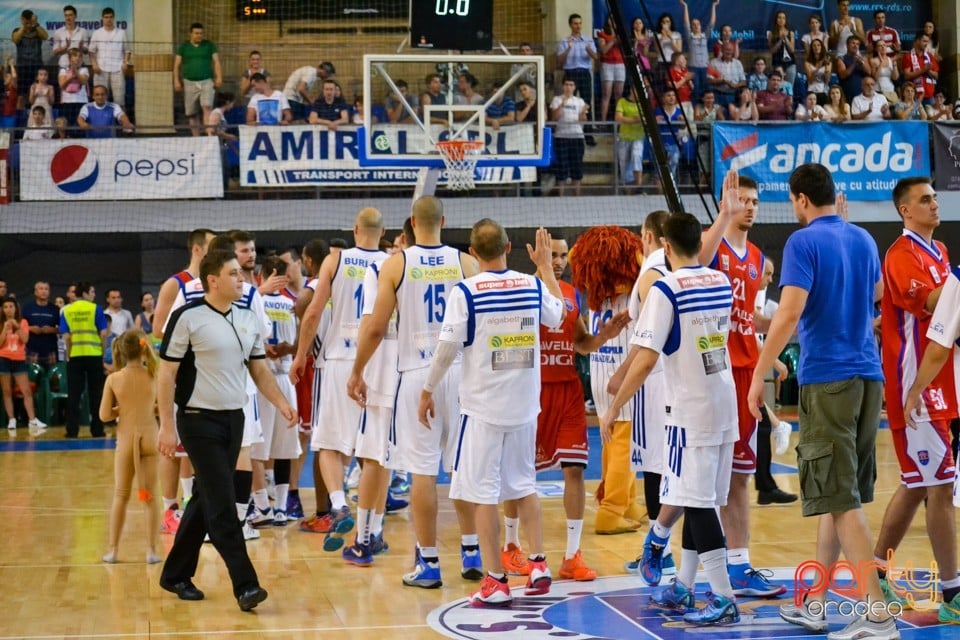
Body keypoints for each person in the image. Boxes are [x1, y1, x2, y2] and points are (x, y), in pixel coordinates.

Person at [746, 163, 893, 640]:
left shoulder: (802, 241)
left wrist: (759, 372)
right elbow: (874, 294)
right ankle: (816, 602)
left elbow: (789, 311)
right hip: (869, 378)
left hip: (828, 377)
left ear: (802, 200)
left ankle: (877, 611)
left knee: (841, 500)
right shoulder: (864, 240)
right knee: (836, 495)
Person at [600, 212, 740, 626]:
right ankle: (683, 583)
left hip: (689, 409)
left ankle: (722, 596)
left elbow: (644, 361)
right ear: (700, 242)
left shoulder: (666, 289)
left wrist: (611, 408)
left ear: (664, 245)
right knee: (700, 498)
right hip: (722, 402)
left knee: (696, 505)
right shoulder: (721, 281)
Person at [418, 223, 564, 607]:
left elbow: (448, 347)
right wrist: (545, 267)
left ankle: (496, 580)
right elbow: (558, 316)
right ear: (510, 247)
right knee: (524, 485)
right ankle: (538, 563)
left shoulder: (465, 291)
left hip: (483, 410)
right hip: (524, 407)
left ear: (472, 252)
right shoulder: (531, 285)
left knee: (483, 494)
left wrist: (428, 388)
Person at [346, 196, 481, 589]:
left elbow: (374, 328)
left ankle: (430, 562)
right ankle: (471, 552)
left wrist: (358, 371)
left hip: (416, 374)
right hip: (459, 371)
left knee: (423, 471)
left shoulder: (397, 263)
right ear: (444, 220)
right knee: (462, 468)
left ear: (410, 223)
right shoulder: (466, 263)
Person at [157, 249, 295, 611]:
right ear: (212, 280)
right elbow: (166, 374)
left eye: (241, 273)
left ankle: (175, 574)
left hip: (234, 419)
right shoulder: (187, 318)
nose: (242, 278)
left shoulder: (248, 318)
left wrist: (281, 404)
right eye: (233, 273)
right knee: (221, 503)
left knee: (206, 497)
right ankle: (246, 586)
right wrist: (167, 428)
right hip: (197, 420)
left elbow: (260, 371)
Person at [500, 235, 627, 581]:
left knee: (575, 470)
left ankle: (572, 555)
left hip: (568, 391)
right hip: (531, 393)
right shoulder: (523, 289)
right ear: (537, 255)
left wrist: (605, 336)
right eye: (551, 255)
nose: (557, 261)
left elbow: (581, 343)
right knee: (519, 477)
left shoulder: (571, 295)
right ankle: (511, 545)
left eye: (561, 256)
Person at [872, 177, 960, 618]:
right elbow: (928, 301)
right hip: (916, 388)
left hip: (942, 381)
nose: (933, 204)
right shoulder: (901, 254)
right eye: (924, 199)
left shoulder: (939, 252)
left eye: (935, 197)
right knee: (940, 487)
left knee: (915, 486)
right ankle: (952, 594)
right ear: (905, 210)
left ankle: (876, 574)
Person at [697, 171, 784, 597]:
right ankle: (669, 552)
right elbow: (695, 261)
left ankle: (738, 564)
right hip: (714, 370)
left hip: (747, 369)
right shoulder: (711, 244)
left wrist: (784, 330)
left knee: (739, 475)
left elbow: (750, 318)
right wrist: (722, 217)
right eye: (742, 200)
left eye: (754, 201)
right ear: (726, 202)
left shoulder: (754, 257)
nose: (749, 206)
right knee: (705, 476)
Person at [290, 209, 387, 551]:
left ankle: (337, 503)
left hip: (338, 360)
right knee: (374, 451)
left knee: (328, 444)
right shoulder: (394, 262)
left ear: (355, 229)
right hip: (377, 361)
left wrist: (301, 355)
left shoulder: (336, 260)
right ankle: (371, 530)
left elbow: (313, 311)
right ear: (383, 231)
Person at [151, 229, 216, 534]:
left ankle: (191, 503)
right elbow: (159, 328)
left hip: (205, 375)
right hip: (179, 373)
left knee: (191, 446)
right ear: (197, 250)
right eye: (213, 246)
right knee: (173, 446)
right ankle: (169, 508)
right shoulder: (175, 284)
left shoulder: (214, 284)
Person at [100, 329, 161, 565]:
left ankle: (113, 551)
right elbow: (159, 407)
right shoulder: (154, 374)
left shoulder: (113, 379)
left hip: (126, 442)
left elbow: (105, 415)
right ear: (143, 347)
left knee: (121, 495)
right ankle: (151, 551)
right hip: (150, 440)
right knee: (148, 495)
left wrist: (121, 409)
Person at [249, 255, 301, 526]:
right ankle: (281, 508)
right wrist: (289, 349)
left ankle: (261, 507)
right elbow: (301, 341)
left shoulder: (255, 299)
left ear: (263, 274)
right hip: (286, 382)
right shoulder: (293, 303)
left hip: (263, 381)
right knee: (284, 449)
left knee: (257, 449)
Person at [59, 282, 109, 438]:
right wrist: (101, 352)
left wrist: (69, 354)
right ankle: (97, 430)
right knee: (96, 394)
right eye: (92, 292)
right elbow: (103, 333)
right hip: (94, 355)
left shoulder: (67, 311)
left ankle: (72, 431)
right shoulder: (96, 309)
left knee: (74, 394)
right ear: (86, 294)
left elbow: (66, 337)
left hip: (75, 357)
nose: (94, 295)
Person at [1, 296, 47, 434]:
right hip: (3, 359)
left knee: (26, 391)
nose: (9, 310)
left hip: (19, 360)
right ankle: (11, 419)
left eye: (11, 307)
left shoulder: (23, 322)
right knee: (7, 391)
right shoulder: (0, 323)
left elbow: (25, 339)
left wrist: (16, 326)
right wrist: (4, 329)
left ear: (16, 309)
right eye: (6, 307)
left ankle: (32, 420)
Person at [173, 23, 222, 135]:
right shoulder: (184, 47)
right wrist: (176, 80)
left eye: (201, 33)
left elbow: (216, 61)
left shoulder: (209, 45)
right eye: (196, 33)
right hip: (189, 82)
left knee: (207, 106)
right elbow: (176, 65)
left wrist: (219, 77)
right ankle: (197, 139)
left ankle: (209, 136)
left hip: (206, 81)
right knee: (192, 113)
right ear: (191, 34)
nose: (199, 35)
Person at [550, 77, 589, 197]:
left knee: (577, 167)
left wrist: (583, 112)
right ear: (563, 86)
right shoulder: (557, 100)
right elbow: (554, 118)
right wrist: (562, 104)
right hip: (561, 137)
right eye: (566, 84)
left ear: (574, 87)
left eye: (571, 85)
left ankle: (577, 197)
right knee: (562, 167)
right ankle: (561, 197)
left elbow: (583, 120)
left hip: (577, 137)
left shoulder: (579, 101)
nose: (568, 87)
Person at [556, 13, 597, 116]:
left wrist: (588, 49)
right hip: (570, 73)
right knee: (569, 100)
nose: (578, 26)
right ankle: (569, 123)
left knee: (586, 100)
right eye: (575, 24)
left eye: (580, 23)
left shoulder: (588, 40)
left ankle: (588, 130)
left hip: (584, 72)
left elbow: (596, 57)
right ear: (570, 25)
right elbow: (559, 60)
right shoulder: (565, 41)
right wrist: (569, 48)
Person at [88, 7, 130, 107]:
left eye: (111, 17)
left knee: (119, 100)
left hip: (117, 70)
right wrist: (94, 65)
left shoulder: (121, 33)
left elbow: (127, 51)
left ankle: (120, 122)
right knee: (100, 99)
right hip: (101, 70)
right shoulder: (97, 33)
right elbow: (91, 51)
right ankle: (100, 122)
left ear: (114, 18)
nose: (108, 19)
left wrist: (125, 63)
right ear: (102, 18)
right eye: (106, 17)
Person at [680, 0, 718, 103]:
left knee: (706, 89)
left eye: (698, 24)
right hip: (693, 68)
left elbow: (712, 23)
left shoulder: (705, 36)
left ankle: (705, 108)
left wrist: (714, 6)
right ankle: (695, 108)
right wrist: (685, 6)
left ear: (701, 26)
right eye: (694, 24)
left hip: (704, 67)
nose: (696, 26)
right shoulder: (690, 37)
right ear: (692, 27)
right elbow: (686, 23)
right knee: (695, 89)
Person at [11, 10, 47, 110]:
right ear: (21, 19)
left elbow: (45, 36)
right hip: (22, 66)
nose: (27, 20)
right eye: (25, 18)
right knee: (21, 95)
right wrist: (24, 25)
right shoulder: (17, 30)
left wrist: (35, 24)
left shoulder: (37, 30)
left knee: (36, 92)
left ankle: (35, 115)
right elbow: (15, 39)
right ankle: (20, 120)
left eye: (29, 18)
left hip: (36, 66)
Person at [22, 281, 59, 368]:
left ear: (49, 292)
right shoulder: (27, 308)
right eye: (41, 289)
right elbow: (19, 326)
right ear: (35, 292)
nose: (44, 291)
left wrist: (51, 330)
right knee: (32, 379)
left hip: (51, 350)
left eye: (46, 289)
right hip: (32, 349)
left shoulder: (55, 309)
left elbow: (63, 328)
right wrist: (30, 328)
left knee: (52, 379)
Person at [597, 14, 625, 122]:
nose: (613, 21)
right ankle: (603, 122)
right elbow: (604, 50)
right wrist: (613, 40)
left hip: (620, 64)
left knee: (619, 95)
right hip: (607, 64)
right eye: (611, 19)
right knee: (606, 94)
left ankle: (618, 122)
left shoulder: (621, 34)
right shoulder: (602, 34)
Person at [58, 47, 89, 131]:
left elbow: (83, 82)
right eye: (75, 56)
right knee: (67, 127)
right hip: (67, 102)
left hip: (81, 101)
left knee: (79, 128)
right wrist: (70, 78)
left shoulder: (84, 70)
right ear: (69, 58)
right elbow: (62, 85)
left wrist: (75, 70)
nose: (77, 58)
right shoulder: (63, 70)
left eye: (80, 56)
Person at [902, 34, 938, 106]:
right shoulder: (908, 56)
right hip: (915, 95)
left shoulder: (929, 56)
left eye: (927, 42)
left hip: (930, 95)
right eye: (924, 41)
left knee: (931, 117)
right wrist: (923, 70)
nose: (926, 44)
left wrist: (928, 71)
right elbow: (906, 75)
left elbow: (936, 76)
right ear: (917, 41)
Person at [708, 42, 746, 109]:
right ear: (722, 50)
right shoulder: (713, 62)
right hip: (718, 95)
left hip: (734, 96)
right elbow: (709, 80)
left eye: (730, 50)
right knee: (719, 117)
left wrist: (734, 85)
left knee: (732, 118)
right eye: (726, 50)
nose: (729, 52)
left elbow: (744, 81)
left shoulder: (737, 63)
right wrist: (720, 81)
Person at [52, 5, 89, 69]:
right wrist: (65, 47)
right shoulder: (58, 32)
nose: (68, 18)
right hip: (63, 67)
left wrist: (81, 47)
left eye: (70, 15)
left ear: (75, 16)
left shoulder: (83, 31)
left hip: (79, 67)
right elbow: (55, 52)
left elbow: (86, 51)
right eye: (66, 15)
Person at [768, 11, 797, 85]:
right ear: (776, 20)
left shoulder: (791, 33)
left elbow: (792, 50)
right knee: (778, 86)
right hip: (777, 63)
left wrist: (786, 39)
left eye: (783, 18)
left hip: (790, 63)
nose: (781, 20)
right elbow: (772, 51)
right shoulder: (771, 34)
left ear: (786, 20)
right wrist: (780, 40)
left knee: (789, 86)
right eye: (779, 18)